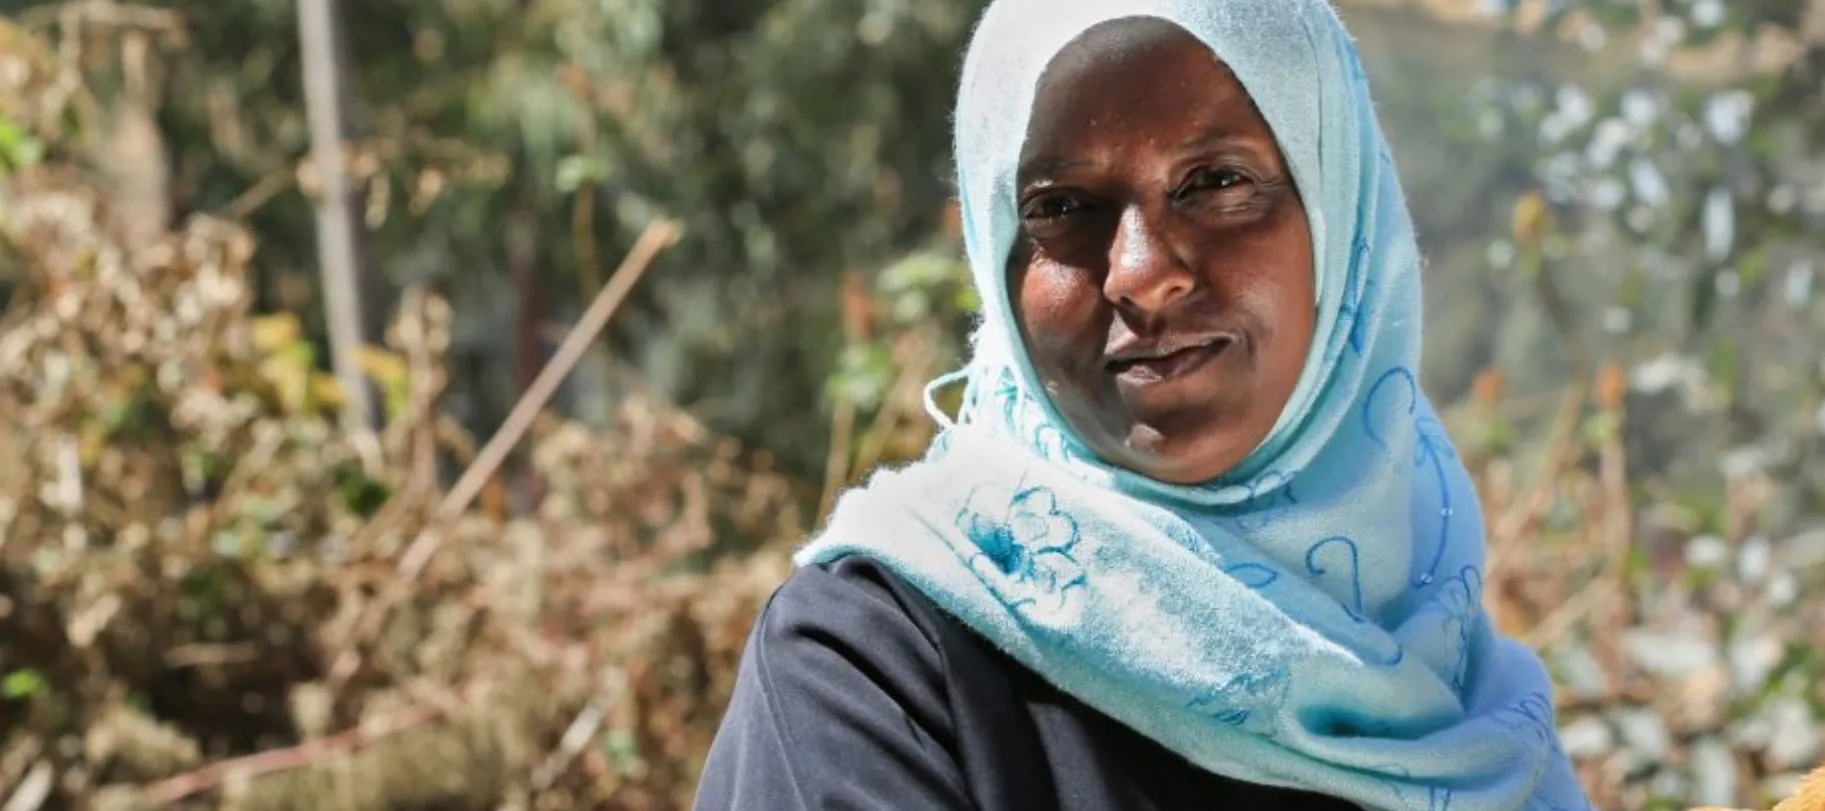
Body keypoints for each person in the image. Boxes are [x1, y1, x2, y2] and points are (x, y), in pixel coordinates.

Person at [695, 1, 1592, 809]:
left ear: (1341, 214)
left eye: (1215, 182)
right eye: (1061, 205)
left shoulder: (1453, 682)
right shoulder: (878, 669)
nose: (1140, 272)